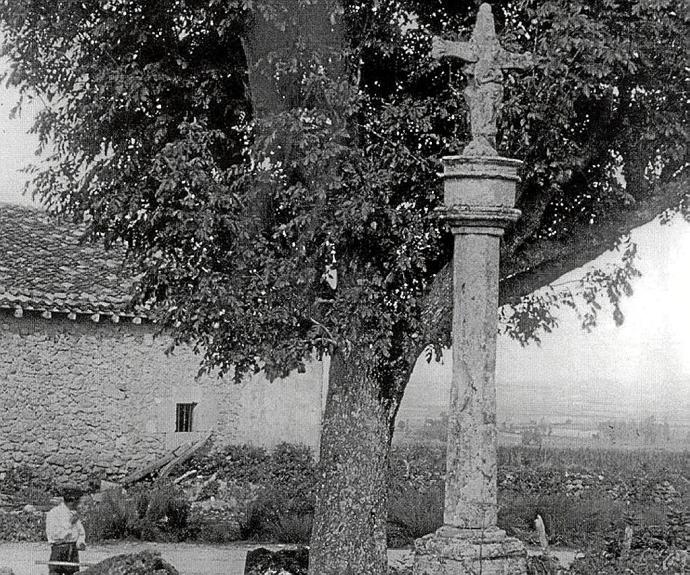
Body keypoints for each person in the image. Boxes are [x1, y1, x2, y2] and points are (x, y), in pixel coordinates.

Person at [45, 487, 86, 575]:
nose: (79, 504)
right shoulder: (54, 514)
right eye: (78, 501)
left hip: (72, 552)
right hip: (58, 550)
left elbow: (80, 532)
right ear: (73, 500)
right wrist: (69, 524)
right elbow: (55, 535)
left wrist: (80, 543)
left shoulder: (74, 514)